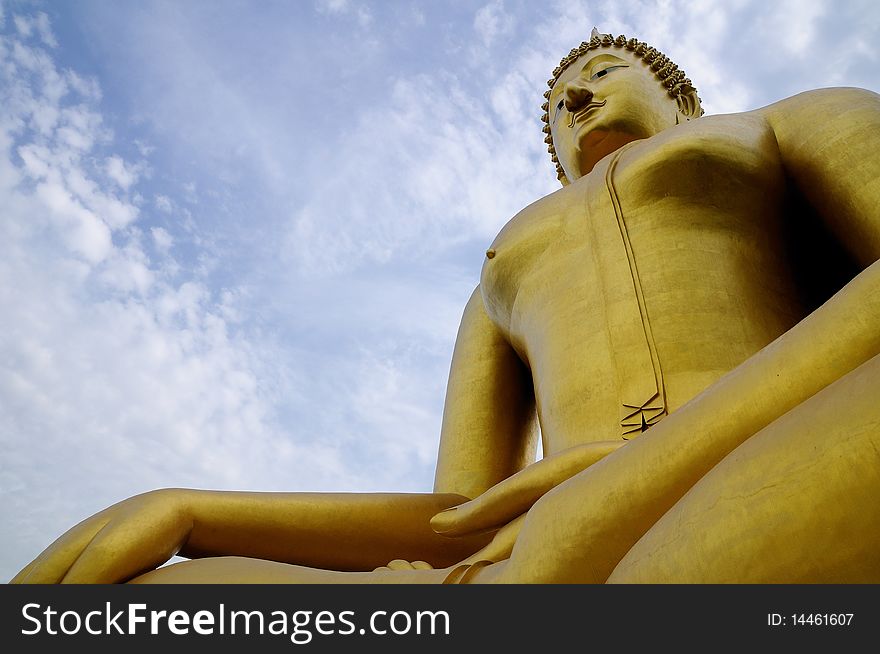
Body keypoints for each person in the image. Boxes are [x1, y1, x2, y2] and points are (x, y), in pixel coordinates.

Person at [13, 30, 880, 584]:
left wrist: (633, 472)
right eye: (555, 108)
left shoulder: (777, 124)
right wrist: (194, 510)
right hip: (534, 558)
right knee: (165, 599)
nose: (575, 98)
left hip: (755, 469)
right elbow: (463, 513)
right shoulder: (504, 264)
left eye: (601, 71)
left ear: (680, 94)